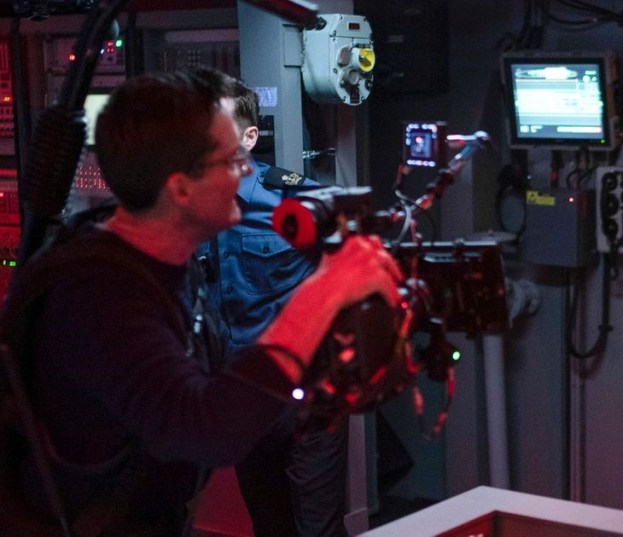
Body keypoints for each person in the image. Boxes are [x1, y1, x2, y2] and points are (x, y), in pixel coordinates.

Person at [0, 70, 401, 535]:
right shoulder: (98, 297)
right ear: (181, 188)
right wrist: (324, 294)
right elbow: (207, 432)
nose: (246, 172)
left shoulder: (154, 258)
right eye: (230, 161)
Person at [194, 72, 349, 536]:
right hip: (243, 396)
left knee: (317, 531)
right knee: (269, 526)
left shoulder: (295, 199)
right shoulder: (186, 207)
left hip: (307, 397)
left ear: (248, 138)